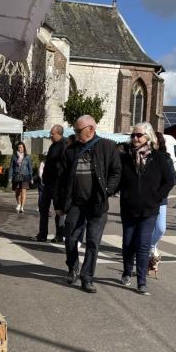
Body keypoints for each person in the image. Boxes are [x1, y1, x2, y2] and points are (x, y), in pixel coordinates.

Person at [56, 115, 121, 293]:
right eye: (75, 131)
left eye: (79, 131)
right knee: (70, 238)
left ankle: (87, 277)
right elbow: (61, 179)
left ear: (91, 129)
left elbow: (117, 172)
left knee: (93, 241)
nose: (76, 135)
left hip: (97, 204)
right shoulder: (71, 150)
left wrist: (108, 191)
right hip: (75, 203)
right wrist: (59, 203)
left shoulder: (107, 146)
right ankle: (72, 267)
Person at [118, 123, 176, 295]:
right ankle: (127, 271)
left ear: (148, 137)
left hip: (149, 209)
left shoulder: (159, 157)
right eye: (133, 135)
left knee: (143, 245)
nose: (135, 138)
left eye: (139, 135)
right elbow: (117, 179)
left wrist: (157, 197)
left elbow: (170, 180)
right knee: (128, 244)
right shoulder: (125, 157)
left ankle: (141, 282)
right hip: (128, 208)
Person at [148, 131, 176, 273]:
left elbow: (173, 179)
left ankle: (150, 245)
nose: (153, 145)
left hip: (161, 199)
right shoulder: (143, 157)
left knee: (160, 229)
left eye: (155, 143)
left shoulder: (166, 158)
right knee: (146, 228)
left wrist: (161, 189)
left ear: (160, 144)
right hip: (144, 199)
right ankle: (146, 251)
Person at [36, 124, 67, 242]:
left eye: (52, 134)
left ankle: (59, 235)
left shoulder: (64, 145)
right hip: (47, 183)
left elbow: (63, 165)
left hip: (57, 183)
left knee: (58, 210)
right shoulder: (53, 145)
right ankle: (42, 234)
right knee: (43, 208)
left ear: (59, 134)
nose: (50, 136)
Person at [9, 141, 33, 213]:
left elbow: (30, 167)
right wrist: (10, 177)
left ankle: (22, 207)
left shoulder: (27, 157)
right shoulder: (14, 156)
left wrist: (31, 177)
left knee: (23, 191)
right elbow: (11, 167)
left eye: (22, 147)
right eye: (19, 147)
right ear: (17, 148)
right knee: (17, 192)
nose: (20, 148)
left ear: (24, 148)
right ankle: (18, 204)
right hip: (16, 175)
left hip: (25, 175)